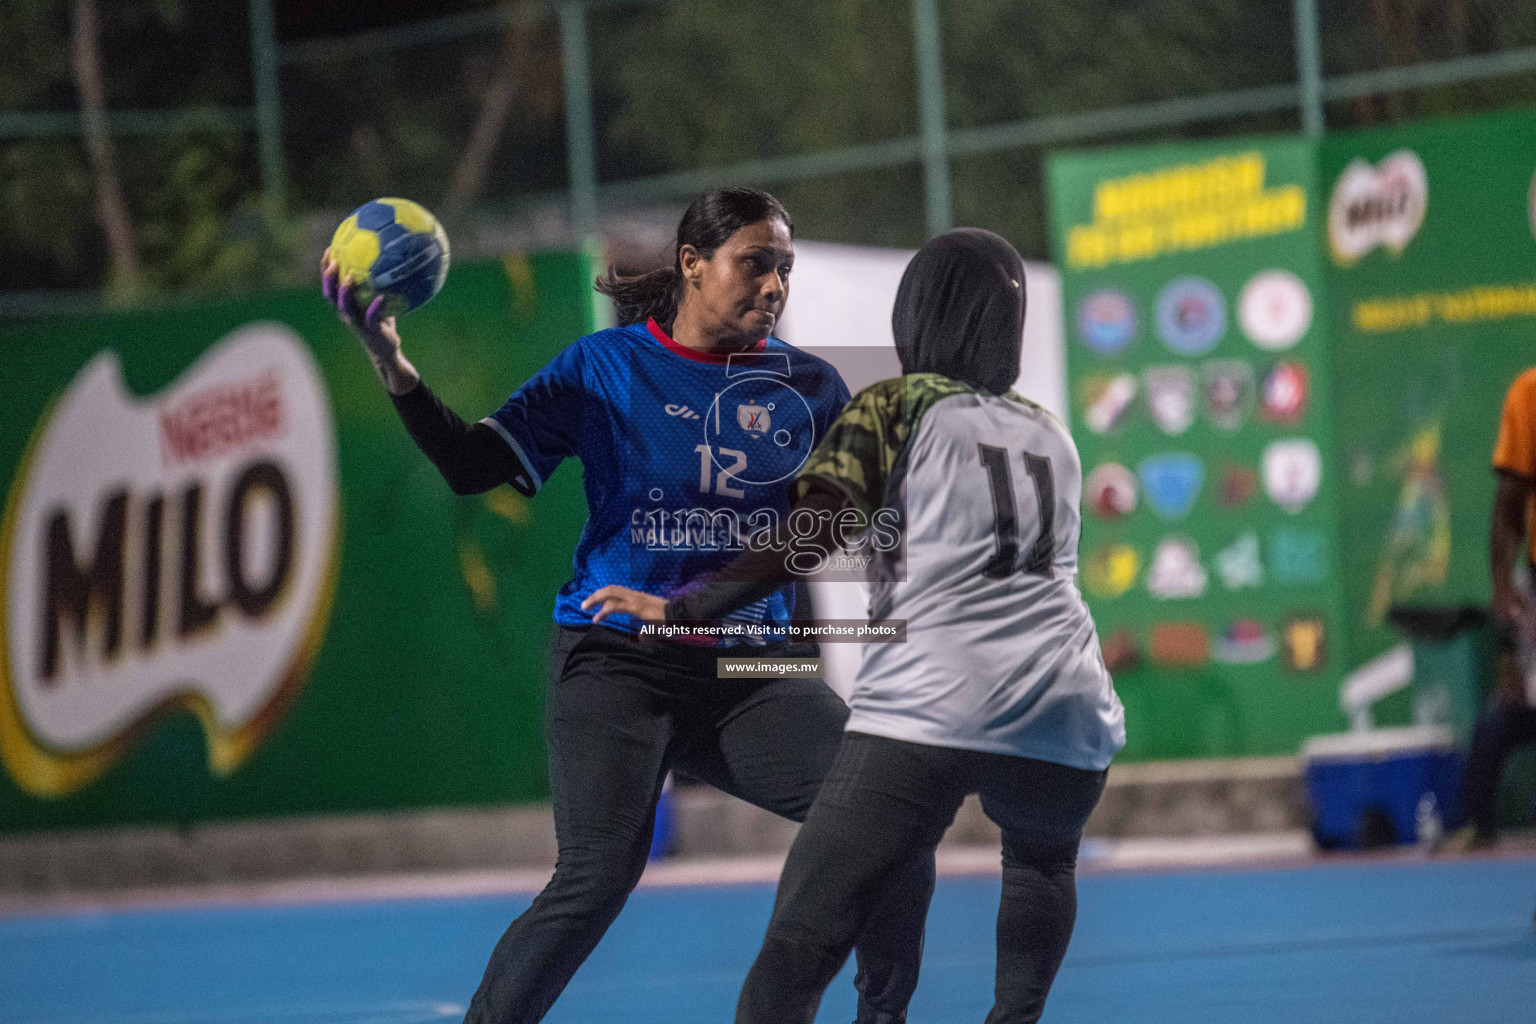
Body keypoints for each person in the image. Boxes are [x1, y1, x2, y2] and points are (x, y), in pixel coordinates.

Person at [321, 188, 933, 1024]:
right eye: (755, 263)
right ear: (692, 264)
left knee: (892, 818)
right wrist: (390, 362)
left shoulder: (812, 388)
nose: (775, 285)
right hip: (614, 658)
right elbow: (473, 466)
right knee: (599, 875)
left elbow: (817, 535)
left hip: (751, 664)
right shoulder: (604, 369)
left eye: (784, 268)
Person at [586, 228, 1127, 1023]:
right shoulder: (1051, 432)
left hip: (935, 702)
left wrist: (683, 607)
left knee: (803, 936)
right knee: (1043, 865)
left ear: (918, 313)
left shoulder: (897, 405)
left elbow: (809, 540)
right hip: (1068, 707)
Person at [1448, 368, 1536, 853]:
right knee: (1505, 716)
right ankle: (1476, 822)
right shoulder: (1530, 393)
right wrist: (1503, 593)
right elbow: (1509, 506)